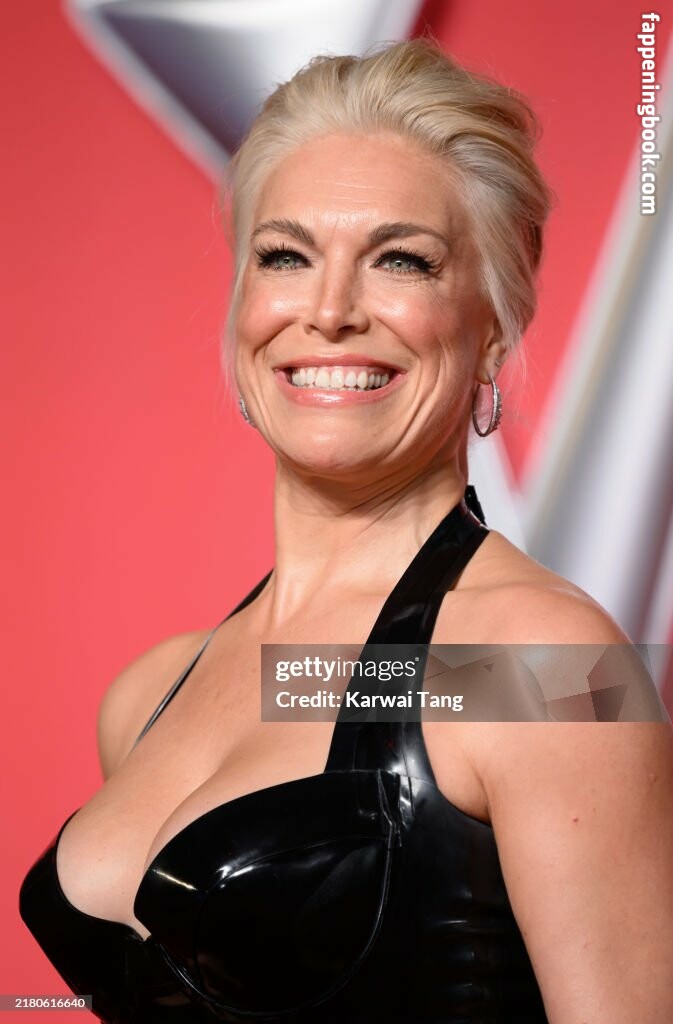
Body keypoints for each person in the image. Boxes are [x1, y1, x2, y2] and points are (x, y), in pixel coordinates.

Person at [19, 37, 673, 1024]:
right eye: (285, 256)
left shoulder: (551, 670)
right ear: (242, 300)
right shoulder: (150, 694)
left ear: (493, 325)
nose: (327, 311)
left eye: (401, 260)